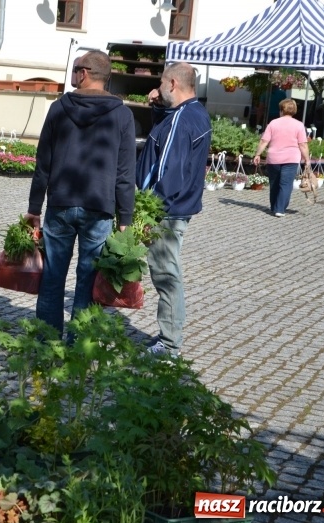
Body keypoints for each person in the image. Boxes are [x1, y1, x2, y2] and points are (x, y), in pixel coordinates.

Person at [24, 50, 136, 338]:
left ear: (84, 73)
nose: (72, 75)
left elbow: (43, 164)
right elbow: (125, 173)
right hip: (99, 207)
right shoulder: (123, 115)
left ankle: (46, 346)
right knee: (87, 281)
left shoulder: (60, 108)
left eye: (74, 70)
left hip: (60, 205)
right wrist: (126, 218)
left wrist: (34, 208)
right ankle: (76, 352)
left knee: (52, 279)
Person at [136, 62, 212, 357]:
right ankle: (168, 337)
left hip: (166, 212)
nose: (158, 88)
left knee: (166, 274)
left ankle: (169, 345)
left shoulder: (183, 118)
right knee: (166, 272)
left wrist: (148, 212)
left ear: (172, 84)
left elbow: (168, 170)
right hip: (176, 208)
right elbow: (165, 139)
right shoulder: (194, 112)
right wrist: (157, 109)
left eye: (162, 83)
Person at [252, 98, 310, 217]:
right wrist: (307, 159)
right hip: (291, 158)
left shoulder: (273, 123)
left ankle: (274, 206)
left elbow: (264, 141)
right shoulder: (299, 125)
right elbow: (303, 144)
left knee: (274, 183)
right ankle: (280, 209)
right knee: (286, 184)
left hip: (274, 158)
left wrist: (257, 154)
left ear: (281, 110)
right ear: (294, 111)